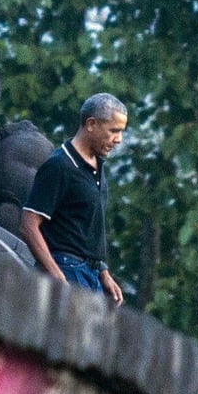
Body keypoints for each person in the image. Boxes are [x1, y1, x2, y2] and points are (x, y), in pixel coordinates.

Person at [21, 93, 127, 305]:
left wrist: (103, 271)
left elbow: (86, 227)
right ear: (91, 124)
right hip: (66, 269)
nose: (119, 139)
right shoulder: (59, 166)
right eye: (113, 130)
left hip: (91, 274)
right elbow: (28, 224)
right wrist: (57, 276)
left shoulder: (97, 164)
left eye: (121, 131)